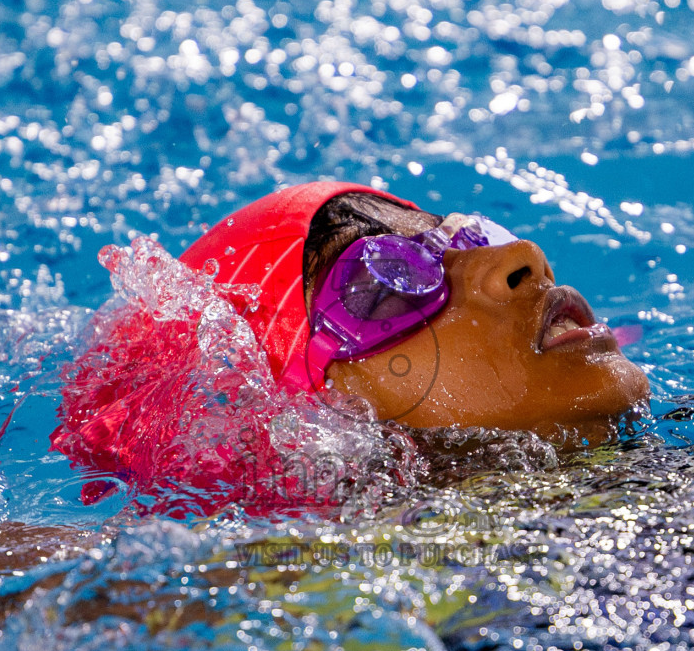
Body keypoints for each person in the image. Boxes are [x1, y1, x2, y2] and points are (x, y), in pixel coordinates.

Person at [50, 182, 652, 510]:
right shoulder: (340, 578)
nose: (518, 258)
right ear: (306, 424)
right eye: (389, 282)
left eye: (477, 237)